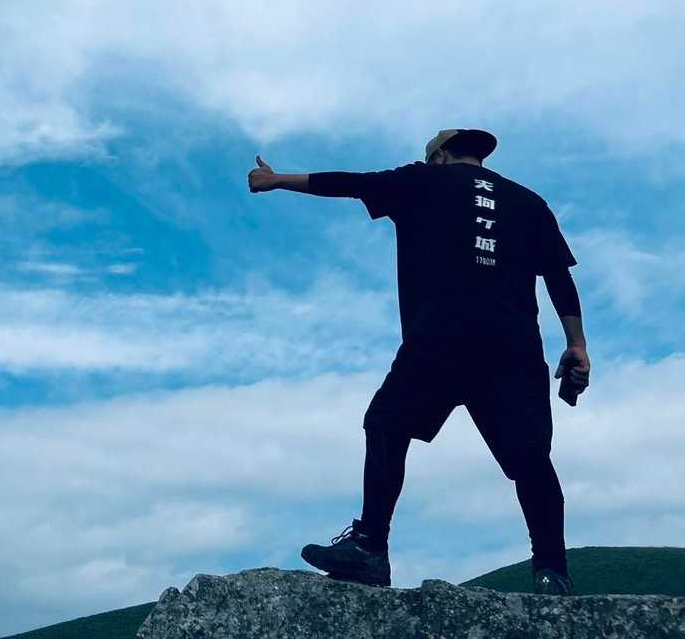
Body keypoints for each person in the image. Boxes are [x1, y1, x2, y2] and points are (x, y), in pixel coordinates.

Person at [248, 128, 590, 596]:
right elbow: (559, 278)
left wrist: (277, 180)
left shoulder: (420, 180)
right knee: (531, 459)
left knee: (386, 424)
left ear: (441, 156)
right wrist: (577, 344)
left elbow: (349, 182)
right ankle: (552, 572)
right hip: (514, 348)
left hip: (439, 339)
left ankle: (370, 548)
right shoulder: (529, 202)